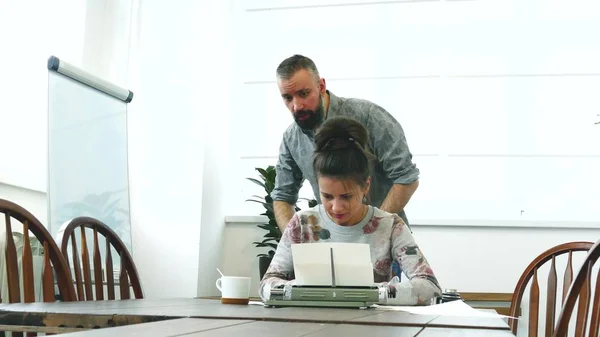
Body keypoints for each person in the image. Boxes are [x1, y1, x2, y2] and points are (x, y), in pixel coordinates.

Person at [258, 117, 441, 305]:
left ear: (366, 186)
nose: (336, 207)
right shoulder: (301, 224)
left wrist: (369, 293)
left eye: (346, 196)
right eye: (327, 196)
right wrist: (302, 289)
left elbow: (430, 288)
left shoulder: (391, 226)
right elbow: (267, 285)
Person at [271, 54, 419, 235]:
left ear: (321, 86)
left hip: (388, 241)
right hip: (335, 247)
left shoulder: (370, 116)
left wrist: (372, 230)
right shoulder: (291, 139)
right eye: (287, 98)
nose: (297, 106)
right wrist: (294, 242)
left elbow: (407, 179)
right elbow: (282, 197)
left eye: (303, 94)